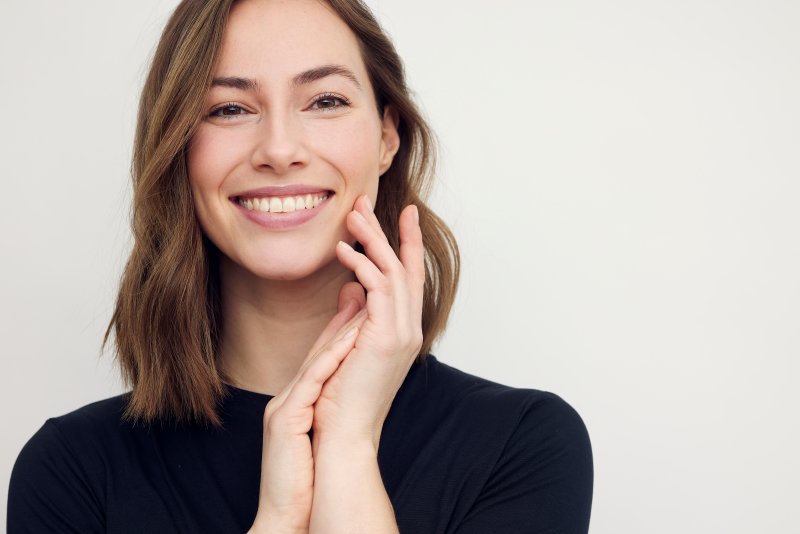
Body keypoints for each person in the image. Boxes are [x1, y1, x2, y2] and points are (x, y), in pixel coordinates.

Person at [7, 0, 593, 532]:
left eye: (326, 101)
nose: (279, 149)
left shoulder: (522, 444)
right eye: (229, 108)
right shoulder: (70, 473)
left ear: (388, 135)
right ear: (178, 146)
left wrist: (347, 444)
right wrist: (279, 518)